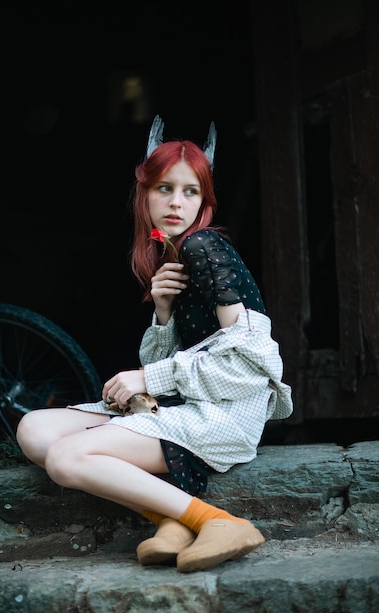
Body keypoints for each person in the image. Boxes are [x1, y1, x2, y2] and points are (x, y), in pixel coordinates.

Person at [16, 115, 293, 573]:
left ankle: (218, 522)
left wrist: (146, 376)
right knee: (34, 430)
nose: (176, 203)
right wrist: (163, 313)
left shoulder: (205, 247)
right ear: (144, 193)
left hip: (225, 414)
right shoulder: (173, 253)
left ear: (205, 200)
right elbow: (180, 365)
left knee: (66, 458)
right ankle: (172, 517)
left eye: (190, 191)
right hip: (188, 405)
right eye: (164, 188)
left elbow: (252, 365)